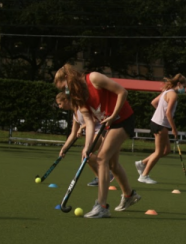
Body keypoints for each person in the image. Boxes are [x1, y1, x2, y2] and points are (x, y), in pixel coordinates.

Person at [53, 64, 141, 218]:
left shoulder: (93, 78)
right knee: (112, 164)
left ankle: (101, 206)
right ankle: (129, 195)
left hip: (123, 119)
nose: (66, 91)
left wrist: (113, 115)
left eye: (65, 87)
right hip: (109, 124)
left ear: (68, 78)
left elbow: (122, 92)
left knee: (101, 159)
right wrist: (87, 147)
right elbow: (89, 121)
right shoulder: (78, 96)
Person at [135, 74, 186, 184]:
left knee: (166, 150)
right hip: (160, 125)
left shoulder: (166, 92)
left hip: (157, 123)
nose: (185, 89)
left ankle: (142, 163)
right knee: (158, 152)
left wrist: (160, 112)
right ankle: (144, 176)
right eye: (184, 86)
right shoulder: (173, 95)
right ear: (179, 84)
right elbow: (168, 113)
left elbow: (153, 102)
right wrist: (174, 129)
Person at [56, 93, 112, 187]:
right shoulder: (75, 115)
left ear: (66, 100)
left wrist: (82, 127)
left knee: (86, 154)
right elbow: (73, 134)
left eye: (60, 103)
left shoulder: (81, 108)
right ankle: (101, 177)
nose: (59, 107)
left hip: (101, 132)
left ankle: (107, 171)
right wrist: (64, 148)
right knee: (86, 157)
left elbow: (94, 120)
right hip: (93, 133)